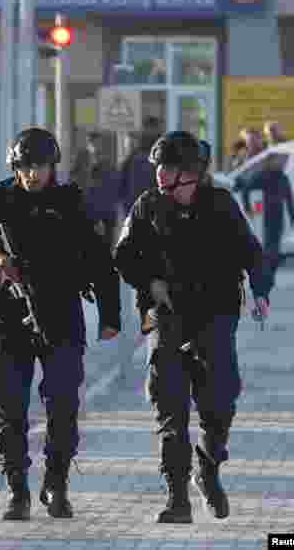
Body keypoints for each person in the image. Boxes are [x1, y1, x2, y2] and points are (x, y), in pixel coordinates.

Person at [0, 128, 121, 521]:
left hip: (61, 313)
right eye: (27, 167)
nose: (34, 175)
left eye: (42, 167)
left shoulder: (70, 201)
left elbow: (99, 258)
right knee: (8, 402)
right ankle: (17, 489)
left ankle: (57, 484)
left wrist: (110, 314)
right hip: (8, 315)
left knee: (63, 405)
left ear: (54, 167)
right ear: (15, 167)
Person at [114, 131, 270, 524]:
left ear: (194, 175)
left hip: (215, 314)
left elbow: (251, 251)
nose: (164, 186)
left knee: (220, 401)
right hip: (166, 316)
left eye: (171, 177)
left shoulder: (220, 205)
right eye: (159, 176)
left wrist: (261, 289)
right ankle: (176, 498)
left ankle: (209, 466)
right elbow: (123, 256)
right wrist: (150, 282)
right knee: (169, 406)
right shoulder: (148, 206)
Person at [239, 152, 294, 292]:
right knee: (270, 248)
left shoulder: (282, 177)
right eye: (277, 161)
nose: (280, 163)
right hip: (267, 215)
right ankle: (267, 276)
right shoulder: (264, 175)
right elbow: (246, 189)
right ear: (270, 161)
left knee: (274, 248)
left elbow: (289, 198)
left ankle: (269, 276)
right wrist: (248, 208)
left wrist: (292, 216)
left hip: (278, 215)